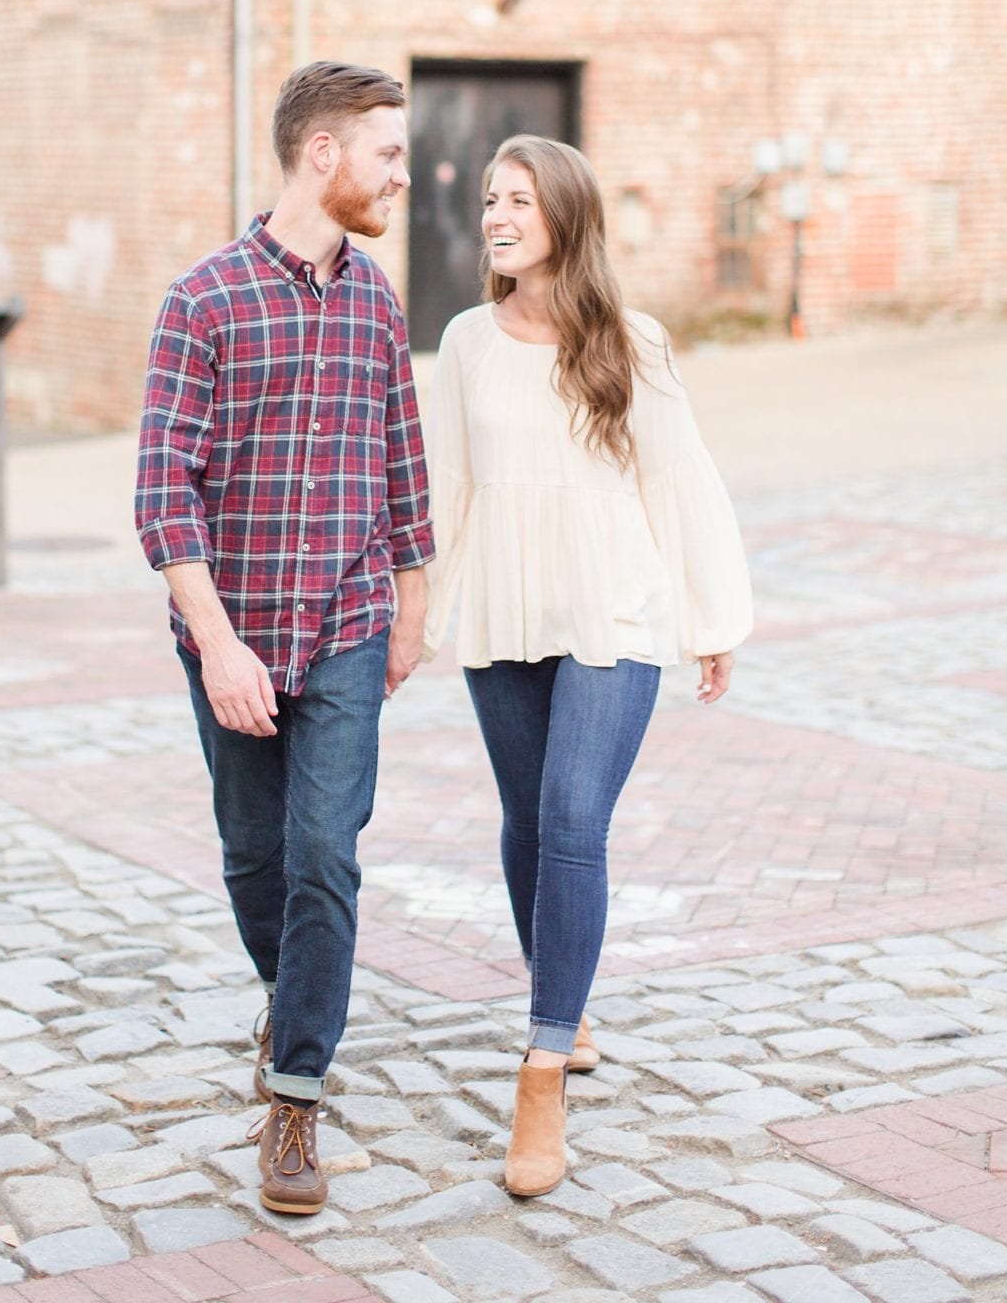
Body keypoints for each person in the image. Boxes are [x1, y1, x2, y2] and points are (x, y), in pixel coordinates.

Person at [423, 134, 753, 1198]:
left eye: (518, 199)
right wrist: (417, 616)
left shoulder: (631, 340)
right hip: (506, 608)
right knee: (527, 821)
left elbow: (680, 481)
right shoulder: (467, 340)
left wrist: (711, 616)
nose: (497, 216)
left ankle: (542, 1066)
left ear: (566, 215)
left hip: (616, 608)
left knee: (572, 819)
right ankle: (566, 1000)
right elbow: (452, 491)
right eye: (489, 199)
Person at [135, 61, 433, 1216]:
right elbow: (165, 495)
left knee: (325, 851)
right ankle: (291, 987)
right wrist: (217, 644)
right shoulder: (201, 301)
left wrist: (410, 611)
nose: (404, 175)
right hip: (234, 632)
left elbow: (403, 464)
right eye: (389, 154)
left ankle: (296, 1092)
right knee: (256, 855)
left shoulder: (379, 303)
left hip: (350, 622)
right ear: (325, 155)